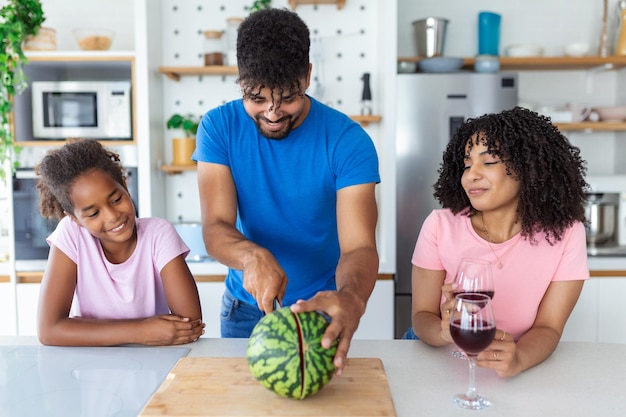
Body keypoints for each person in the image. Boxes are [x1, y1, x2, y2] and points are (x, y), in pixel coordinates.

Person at [193, 8, 380, 375]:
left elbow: (359, 247)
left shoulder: (348, 141)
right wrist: (250, 256)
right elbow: (215, 227)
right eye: (257, 98)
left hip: (322, 308)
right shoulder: (219, 127)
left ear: (307, 76)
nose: (273, 113)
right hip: (245, 310)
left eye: (288, 98)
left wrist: (351, 298)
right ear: (240, 81)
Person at [408, 106, 589, 377]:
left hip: (507, 360)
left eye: (489, 162)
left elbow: (549, 327)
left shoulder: (566, 234)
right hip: (438, 358)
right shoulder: (439, 225)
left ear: (529, 167)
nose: (471, 174)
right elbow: (421, 316)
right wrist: (442, 331)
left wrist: (518, 359)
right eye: (467, 164)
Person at [35, 140, 204, 346]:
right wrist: (142, 331)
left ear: (125, 185)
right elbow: (49, 331)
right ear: (75, 219)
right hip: (93, 368)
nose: (112, 216)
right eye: (94, 213)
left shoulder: (158, 234)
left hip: (155, 363)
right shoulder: (71, 235)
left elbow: (190, 324)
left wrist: (82, 327)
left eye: (116, 200)